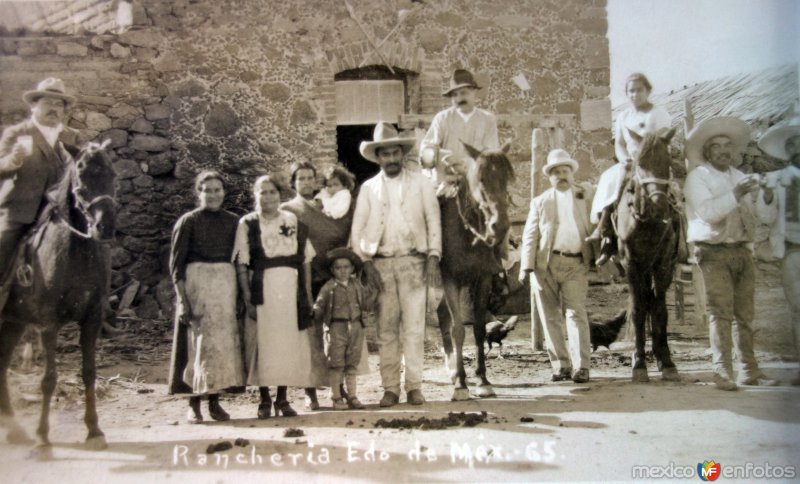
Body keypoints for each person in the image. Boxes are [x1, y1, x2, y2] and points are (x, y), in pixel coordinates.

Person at [684, 116, 778, 391]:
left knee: (746, 314)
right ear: (707, 151)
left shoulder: (739, 177)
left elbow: (762, 217)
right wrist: (736, 194)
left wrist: (767, 197)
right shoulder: (697, 177)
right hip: (712, 252)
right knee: (720, 312)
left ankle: (749, 369)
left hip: (741, 250)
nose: (724, 151)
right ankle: (722, 370)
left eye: (728, 146)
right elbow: (709, 213)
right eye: (717, 146)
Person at [351, 122, 441, 407]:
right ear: (377, 158)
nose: (390, 159)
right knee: (386, 330)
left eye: (394, 153)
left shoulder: (421, 183)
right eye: (384, 155)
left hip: (414, 263)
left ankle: (414, 386)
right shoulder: (368, 188)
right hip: (381, 266)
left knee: (414, 328)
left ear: (402, 154)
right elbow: (358, 228)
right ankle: (390, 388)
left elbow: (432, 220)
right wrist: (366, 263)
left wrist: (433, 256)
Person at [234, 175, 320, 418]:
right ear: (255, 195)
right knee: (265, 343)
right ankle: (264, 399)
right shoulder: (247, 223)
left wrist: (308, 295)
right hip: (263, 289)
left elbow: (305, 260)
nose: (268, 197)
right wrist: (249, 297)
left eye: (272, 192)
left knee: (287, 343)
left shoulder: (290, 219)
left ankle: (282, 398)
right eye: (263, 192)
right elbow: (242, 264)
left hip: (290, 290)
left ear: (280, 195)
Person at [280, 161, 364, 410]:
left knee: (340, 336)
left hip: (334, 279)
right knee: (311, 337)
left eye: (310, 178)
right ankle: (310, 391)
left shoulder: (329, 206)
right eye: (301, 178)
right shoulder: (289, 210)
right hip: (305, 278)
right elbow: (286, 244)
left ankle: (342, 390)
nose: (306, 182)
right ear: (293, 182)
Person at [169, 171, 244, 423]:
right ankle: (194, 404)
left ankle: (215, 402)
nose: (213, 195)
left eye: (217, 190)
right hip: (197, 286)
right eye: (207, 190)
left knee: (221, 347)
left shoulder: (234, 221)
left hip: (225, 287)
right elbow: (177, 266)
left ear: (224, 193)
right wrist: (182, 300)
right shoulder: (188, 221)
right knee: (198, 345)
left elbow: (240, 258)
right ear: (198, 193)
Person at [0, 78, 80, 309]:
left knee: (94, 245)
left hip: (59, 212)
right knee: (3, 249)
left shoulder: (71, 136)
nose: (53, 108)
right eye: (47, 102)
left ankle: (99, 311)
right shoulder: (17, 133)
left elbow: (84, 171)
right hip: (21, 210)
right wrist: (10, 162)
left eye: (59, 104)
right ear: (34, 105)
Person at [519, 149, 595, 383]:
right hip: (546, 265)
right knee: (550, 316)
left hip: (576, 263)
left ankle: (581, 366)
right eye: (556, 173)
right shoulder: (541, 201)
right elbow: (530, 235)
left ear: (572, 174)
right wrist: (526, 267)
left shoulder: (585, 196)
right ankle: (561, 365)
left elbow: (599, 216)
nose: (561, 176)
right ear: (550, 177)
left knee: (575, 313)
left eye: (565, 171)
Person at [587, 73, 672, 265]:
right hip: (631, 161)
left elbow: (660, 139)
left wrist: (644, 157)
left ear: (648, 91)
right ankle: (606, 232)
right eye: (631, 91)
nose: (635, 94)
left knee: (673, 193)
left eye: (639, 90)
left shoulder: (659, 114)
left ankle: (682, 239)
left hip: (653, 161)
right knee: (610, 179)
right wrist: (625, 158)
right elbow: (619, 144)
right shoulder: (623, 116)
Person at [756, 113, 800, 385]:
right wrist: (768, 197)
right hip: (794, 250)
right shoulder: (775, 179)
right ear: (787, 150)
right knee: (797, 308)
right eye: (793, 144)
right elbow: (765, 217)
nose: (798, 149)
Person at [419, 68, 499, 192]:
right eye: (454, 95)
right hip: (447, 181)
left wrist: (468, 164)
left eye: (463, 93)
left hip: (477, 182)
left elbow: (492, 152)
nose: (459, 99)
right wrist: (439, 156)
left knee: (496, 206)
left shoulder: (487, 119)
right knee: (430, 206)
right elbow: (427, 150)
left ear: (474, 92)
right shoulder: (442, 118)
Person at [313, 247, 366, 410]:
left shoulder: (356, 284)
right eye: (338, 267)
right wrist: (314, 312)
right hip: (336, 326)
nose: (342, 271)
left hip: (356, 326)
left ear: (352, 269)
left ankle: (352, 395)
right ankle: (336, 397)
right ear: (332, 270)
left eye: (346, 267)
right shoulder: (329, 287)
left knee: (352, 363)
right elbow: (320, 305)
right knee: (336, 363)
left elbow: (365, 301)